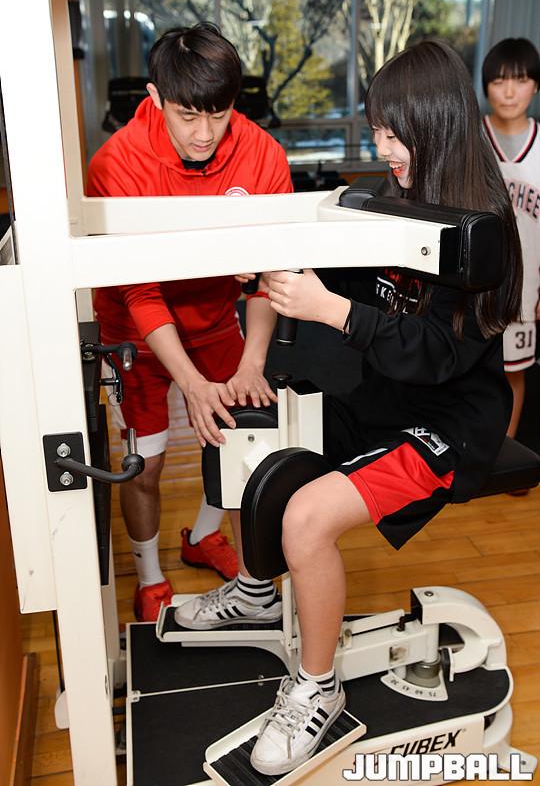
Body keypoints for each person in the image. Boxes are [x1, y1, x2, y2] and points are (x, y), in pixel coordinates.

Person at [174, 40, 523, 776]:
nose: (383, 149)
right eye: (376, 133)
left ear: (434, 124)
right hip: (384, 392)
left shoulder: (482, 226)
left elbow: (437, 354)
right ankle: (256, 592)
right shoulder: (388, 196)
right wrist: (277, 268)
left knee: (306, 516)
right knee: (246, 432)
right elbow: (337, 278)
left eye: (394, 135)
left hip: (449, 420)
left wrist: (332, 310)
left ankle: (317, 687)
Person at [87, 23, 292, 621]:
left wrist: (253, 362)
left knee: (238, 437)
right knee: (145, 464)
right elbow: (141, 291)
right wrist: (193, 385)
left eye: (218, 115)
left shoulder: (262, 153)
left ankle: (202, 537)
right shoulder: (116, 163)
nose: (204, 134)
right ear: (155, 98)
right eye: (187, 116)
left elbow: (268, 271)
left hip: (215, 319)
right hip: (134, 330)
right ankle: (150, 575)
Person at [482, 38, 540, 446]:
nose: (508, 92)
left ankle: (505, 455)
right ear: (486, 85)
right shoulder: (472, 141)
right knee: (466, 370)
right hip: (475, 286)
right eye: (499, 81)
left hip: (525, 288)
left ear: (535, 86)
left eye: (519, 80)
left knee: (513, 371)